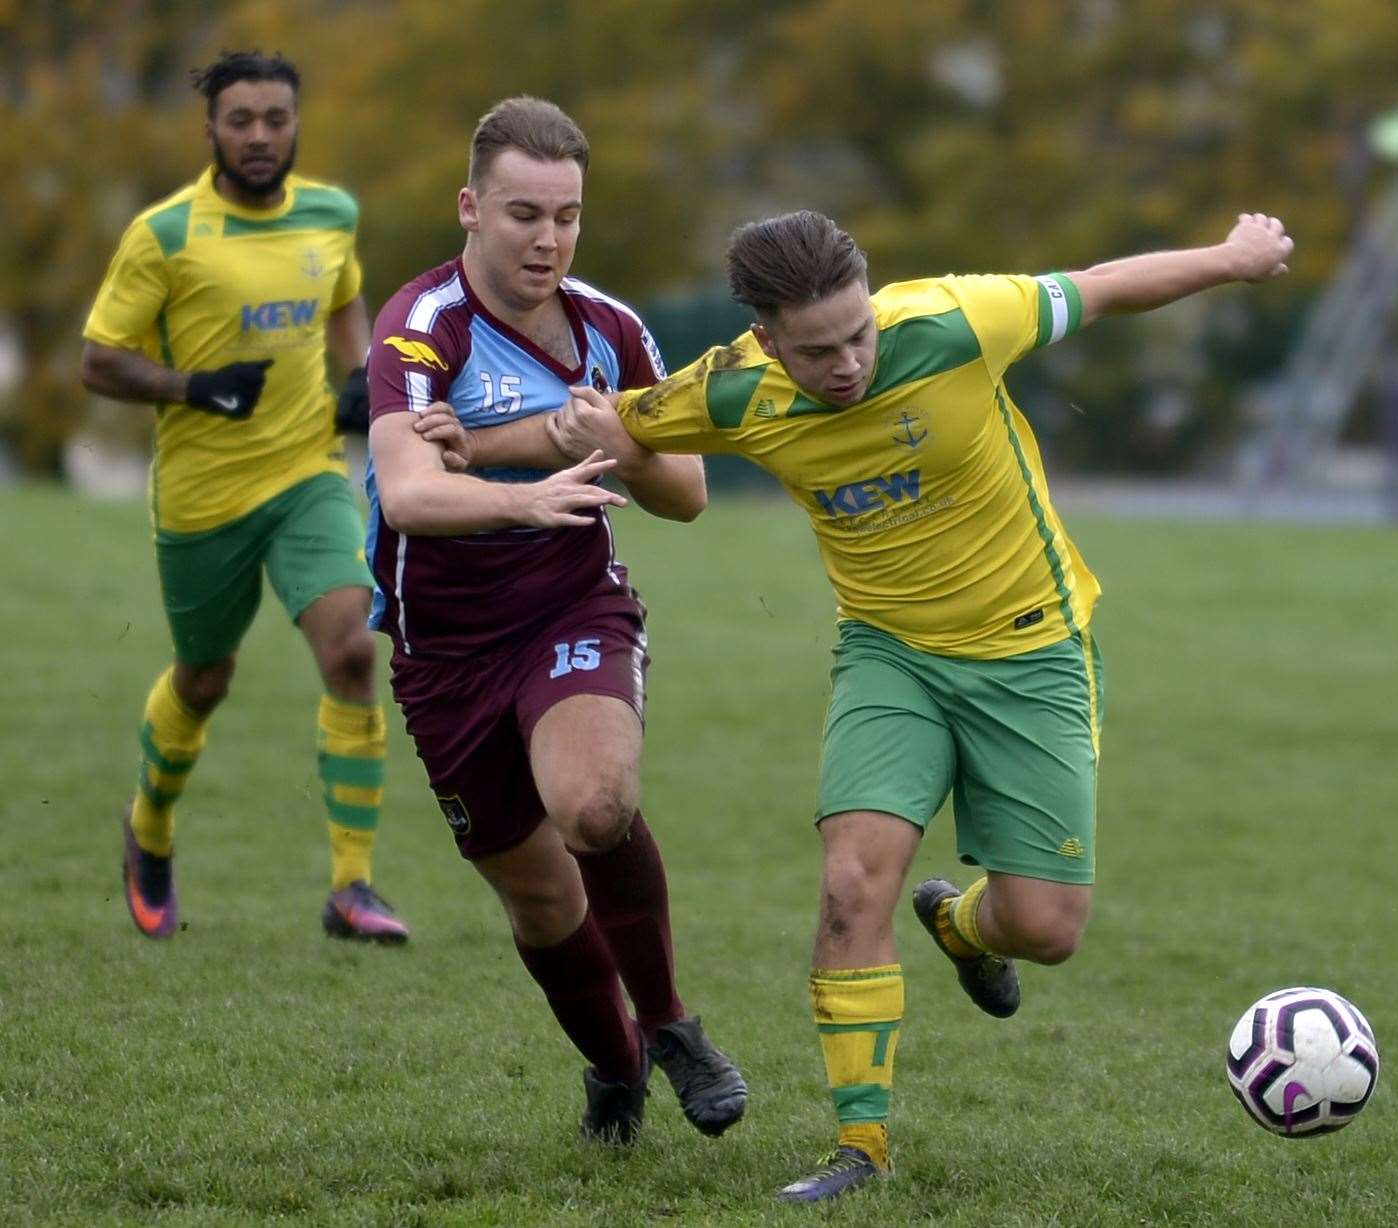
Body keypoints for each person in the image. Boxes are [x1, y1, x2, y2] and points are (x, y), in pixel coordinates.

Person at [418, 206, 1294, 1198]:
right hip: (890, 660)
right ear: (763, 340)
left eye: (857, 336)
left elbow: (1100, 285)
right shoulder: (737, 390)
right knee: (849, 883)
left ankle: (962, 926)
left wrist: (1233, 258)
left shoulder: (957, 320)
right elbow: (614, 420)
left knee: (1044, 926)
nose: (845, 365)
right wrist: (477, 442)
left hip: (1031, 652)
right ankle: (859, 1151)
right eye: (815, 351)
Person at [365, 96, 747, 1145]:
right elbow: (404, 493)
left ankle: (671, 1024)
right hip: (441, 651)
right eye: (523, 213)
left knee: (593, 806)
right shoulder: (417, 327)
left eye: (566, 215)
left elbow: (687, 493)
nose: (547, 238)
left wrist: (615, 445)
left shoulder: (613, 329)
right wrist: (520, 490)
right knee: (539, 901)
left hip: (571, 606)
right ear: (470, 208)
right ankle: (616, 1067)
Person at [80, 50, 407, 944]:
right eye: (240, 121)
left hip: (306, 476)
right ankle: (148, 830)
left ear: (296, 124)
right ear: (211, 130)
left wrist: (358, 375)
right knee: (205, 678)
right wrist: (194, 388)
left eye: (275, 119)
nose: (260, 135)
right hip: (202, 496)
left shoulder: (331, 213)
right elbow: (99, 360)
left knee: (350, 654)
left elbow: (347, 300)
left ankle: (353, 887)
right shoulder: (166, 234)